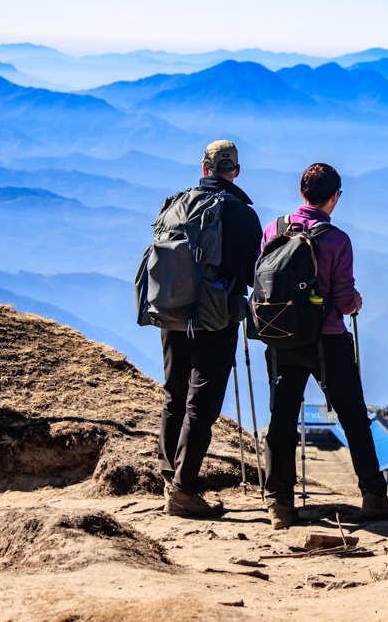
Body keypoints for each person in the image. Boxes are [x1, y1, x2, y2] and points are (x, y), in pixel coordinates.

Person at [262, 162, 388, 529]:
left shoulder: (272, 230)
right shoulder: (337, 239)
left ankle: (279, 502)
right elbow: (342, 301)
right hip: (328, 340)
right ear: (335, 197)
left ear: (301, 192)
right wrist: (355, 302)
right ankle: (373, 495)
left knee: (281, 419)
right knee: (354, 417)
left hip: (281, 338)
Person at [159, 140, 263, 517]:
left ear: (203, 167)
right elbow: (253, 272)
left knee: (174, 392)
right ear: (235, 171)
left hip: (171, 313)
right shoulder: (241, 214)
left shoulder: (176, 203)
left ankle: (170, 478)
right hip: (215, 318)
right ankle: (184, 491)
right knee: (202, 403)